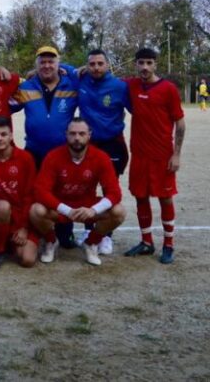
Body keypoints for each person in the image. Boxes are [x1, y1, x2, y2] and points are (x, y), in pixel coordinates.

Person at [30, 118, 125, 266]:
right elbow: (41, 191)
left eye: (82, 133)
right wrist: (66, 210)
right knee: (36, 210)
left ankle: (91, 243)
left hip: (86, 207)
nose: (77, 138)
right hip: (62, 208)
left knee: (119, 211)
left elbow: (115, 193)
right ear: (66, 134)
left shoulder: (101, 157)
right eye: (72, 134)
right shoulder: (53, 156)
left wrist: (94, 210)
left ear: (89, 135)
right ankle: (51, 241)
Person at [12, 46, 79, 248]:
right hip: (35, 150)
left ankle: (65, 233)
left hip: (62, 152)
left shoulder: (72, 85)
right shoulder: (26, 88)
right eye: (42, 62)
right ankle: (40, 231)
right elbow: (4, 105)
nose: (47, 65)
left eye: (52, 61)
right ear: (36, 65)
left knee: (62, 193)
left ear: (59, 65)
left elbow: (82, 73)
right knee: (34, 192)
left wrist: (66, 67)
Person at [124, 48, 185, 264]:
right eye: (141, 62)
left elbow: (180, 122)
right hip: (139, 155)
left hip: (162, 155)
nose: (145, 67)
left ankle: (168, 244)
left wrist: (176, 154)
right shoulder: (131, 85)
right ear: (136, 64)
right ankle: (147, 242)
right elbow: (103, 77)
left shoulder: (168, 89)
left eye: (149, 62)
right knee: (140, 196)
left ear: (155, 64)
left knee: (165, 197)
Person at [75, 49, 130, 255]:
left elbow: (138, 108)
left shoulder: (120, 87)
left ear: (107, 65)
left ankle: (106, 235)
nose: (96, 68)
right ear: (86, 66)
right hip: (88, 143)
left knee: (109, 188)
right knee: (87, 187)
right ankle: (89, 230)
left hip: (112, 144)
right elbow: (56, 68)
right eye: (92, 64)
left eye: (100, 64)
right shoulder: (80, 80)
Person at [0, 116, 37, 270]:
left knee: (27, 260)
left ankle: (10, 241)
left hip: (21, 217)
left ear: (11, 136)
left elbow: (30, 195)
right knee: (2, 206)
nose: (0, 139)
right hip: (0, 213)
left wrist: (24, 227)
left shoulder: (25, 159)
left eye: (4, 134)